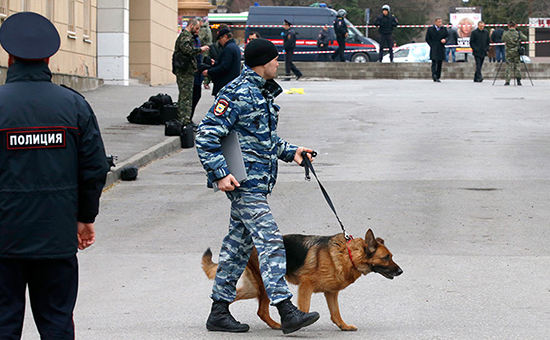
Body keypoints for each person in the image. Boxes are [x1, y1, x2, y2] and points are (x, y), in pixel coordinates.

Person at [196, 38, 320, 335]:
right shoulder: (237, 93)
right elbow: (206, 136)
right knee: (271, 241)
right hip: (243, 183)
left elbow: (266, 140)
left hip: (257, 182)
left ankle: (218, 312)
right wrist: (220, 173)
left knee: (237, 249)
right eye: (275, 59)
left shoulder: (260, 93)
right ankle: (286, 308)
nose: (279, 64)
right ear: (264, 62)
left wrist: (293, 152)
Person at [0, 12, 109, 339]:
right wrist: (85, 216)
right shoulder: (73, 105)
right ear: (49, 57)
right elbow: (94, 168)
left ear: (9, 56)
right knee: (57, 323)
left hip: (3, 241)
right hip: (57, 236)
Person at [174, 19, 209, 127]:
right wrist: (200, 50)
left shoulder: (188, 36)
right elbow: (187, 50)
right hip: (184, 71)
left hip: (188, 71)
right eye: (197, 28)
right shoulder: (185, 36)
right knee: (185, 97)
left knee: (188, 97)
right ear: (191, 25)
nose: (198, 31)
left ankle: (186, 120)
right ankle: (184, 121)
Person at [202, 27, 241, 96]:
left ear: (225, 37)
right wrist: (216, 63)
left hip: (225, 84)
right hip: (232, 83)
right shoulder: (234, 46)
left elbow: (224, 67)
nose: (219, 41)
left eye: (220, 38)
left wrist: (209, 72)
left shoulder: (228, 48)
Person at [502, 21, 527, 86]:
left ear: (508, 26)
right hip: (516, 52)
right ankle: (518, 80)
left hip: (508, 52)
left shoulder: (506, 33)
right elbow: (525, 38)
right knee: (517, 66)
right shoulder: (518, 33)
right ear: (515, 26)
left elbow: (502, 39)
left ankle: (507, 81)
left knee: (508, 66)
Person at [426, 17, 448, 82]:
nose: (440, 23)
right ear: (435, 22)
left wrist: (445, 40)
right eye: (438, 22)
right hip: (434, 47)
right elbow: (427, 38)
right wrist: (432, 45)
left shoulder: (443, 29)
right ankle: (434, 75)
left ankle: (438, 75)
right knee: (434, 62)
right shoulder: (430, 29)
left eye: (441, 22)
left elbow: (447, 36)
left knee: (440, 62)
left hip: (441, 47)